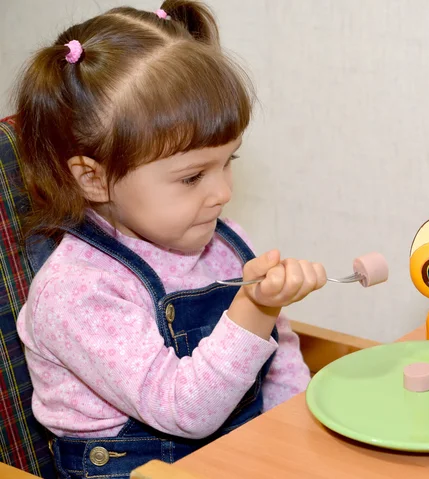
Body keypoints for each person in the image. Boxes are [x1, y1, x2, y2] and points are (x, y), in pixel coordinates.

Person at [14, 2, 326, 477]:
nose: (223, 193)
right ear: (92, 178)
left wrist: (299, 436)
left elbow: (277, 357)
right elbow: (186, 410)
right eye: (192, 177)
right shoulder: (76, 291)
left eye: (228, 163)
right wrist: (255, 308)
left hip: (232, 459)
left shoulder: (226, 244)